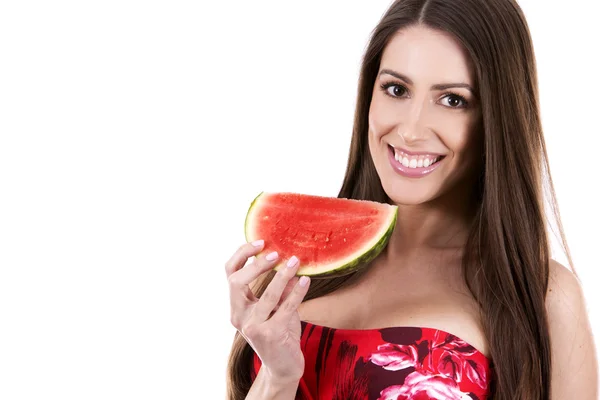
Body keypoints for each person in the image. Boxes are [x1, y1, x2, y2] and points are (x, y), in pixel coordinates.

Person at [224, 0, 598, 398]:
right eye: (396, 89)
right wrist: (277, 378)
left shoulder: (542, 295)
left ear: (496, 118)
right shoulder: (294, 273)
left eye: (453, 99)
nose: (411, 130)